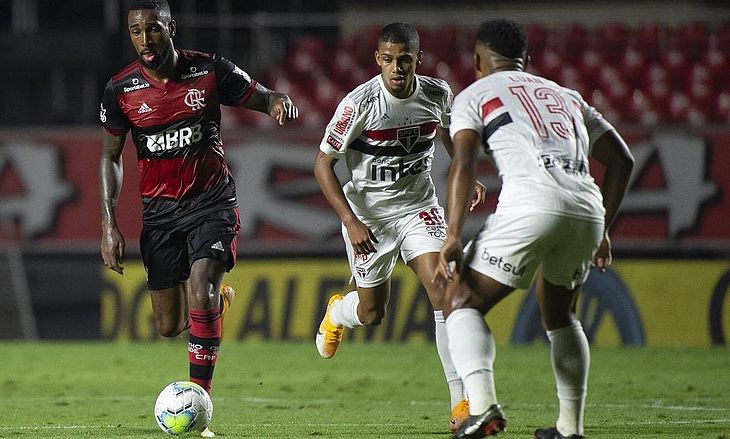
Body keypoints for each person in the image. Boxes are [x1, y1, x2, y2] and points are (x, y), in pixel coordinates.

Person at [99, 1, 297, 436]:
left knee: (201, 286)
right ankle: (211, 301)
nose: (145, 40)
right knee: (169, 326)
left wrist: (278, 101)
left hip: (211, 203)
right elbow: (111, 158)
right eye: (136, 32)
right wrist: (109, 223)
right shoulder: (121, 90)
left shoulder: (208, 71)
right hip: (160, 216)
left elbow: (263, 96)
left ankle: (198, 398)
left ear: (171, 27)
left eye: (153, 29)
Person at [433, 19, 634, 439]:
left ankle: (483, 407)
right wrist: (602, 228)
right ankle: (570, 428)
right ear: (527, 61)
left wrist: (453, 234)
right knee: (561, 314)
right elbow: (622, 161)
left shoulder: (474, 94)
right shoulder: (567, 96)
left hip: (530, 202)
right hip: (586, 208)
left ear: (477, 59)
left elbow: (464, 162)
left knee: (459, 299)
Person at [313, 22, 486, 433]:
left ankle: (460, 403)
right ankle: (338, 311)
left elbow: (447, 134)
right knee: (372, 313)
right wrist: (351, 221)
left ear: (417, 60)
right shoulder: (359, 105)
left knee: (446, 293)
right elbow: (323, 164)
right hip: (369, 219)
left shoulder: (437, 94)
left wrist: (465, 172)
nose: (396, 68)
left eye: (404, 60)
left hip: (418, 208)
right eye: (388, 60)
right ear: (378, 59)